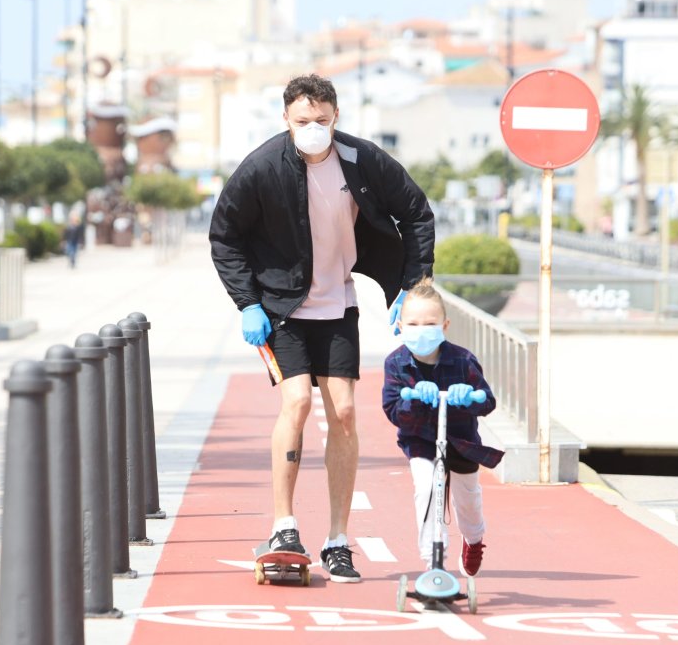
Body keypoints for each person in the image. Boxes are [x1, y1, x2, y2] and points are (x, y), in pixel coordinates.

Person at [209, 73, 435, 583]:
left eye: (323, 121)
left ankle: (337, 539)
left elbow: (417, 213)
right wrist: (248, 302)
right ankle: (283, 526)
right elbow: (225, 235)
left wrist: (412, 283)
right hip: (281, 309)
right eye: (303, 121)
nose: (313, 129)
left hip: (340, 306)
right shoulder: (262, 167)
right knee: (297, 403)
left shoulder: (361, 159)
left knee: (347, 414)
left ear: (337, 118)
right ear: (285, 120)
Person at [381, 278, 500, 576]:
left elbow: (487, 402)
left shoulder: (463, 360)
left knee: (468, 499)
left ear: (445, 325)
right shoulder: (396, 364)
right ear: (400, 325)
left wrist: (467, 397)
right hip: (421, 440)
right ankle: (433, 561)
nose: (422, 330)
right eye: (413, 323)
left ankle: (473, 540)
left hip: (462, 440)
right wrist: (415, 400)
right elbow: (394, 411)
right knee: (426, 490)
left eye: (429, 323)